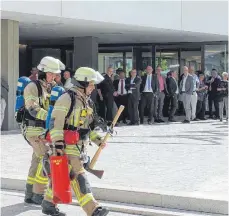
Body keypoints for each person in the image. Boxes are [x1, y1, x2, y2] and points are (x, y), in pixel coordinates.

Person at [41, 67, 109, 216]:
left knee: (64, 175)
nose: (93, 87)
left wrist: (98, 140)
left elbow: (87, 128)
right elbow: (55, 122)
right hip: (66, 146)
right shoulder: (67, 98)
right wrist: (58, 145)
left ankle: (48, 203)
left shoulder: (86, 101)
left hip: (79, 146)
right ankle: (93, 209)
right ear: (83, 83)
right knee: (79, 176)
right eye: (91, 84)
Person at [23, 56, 64, 205]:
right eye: (51, 73)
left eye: (55, 74)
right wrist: (50, 117)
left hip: (45, 129)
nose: (54, 76)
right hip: (34, 129)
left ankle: (29, 194)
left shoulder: (52, 87)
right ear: (43, 72)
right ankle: (38, 193)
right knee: (46, 156)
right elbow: (32, 107)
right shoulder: (32, 86)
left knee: (37, 160)